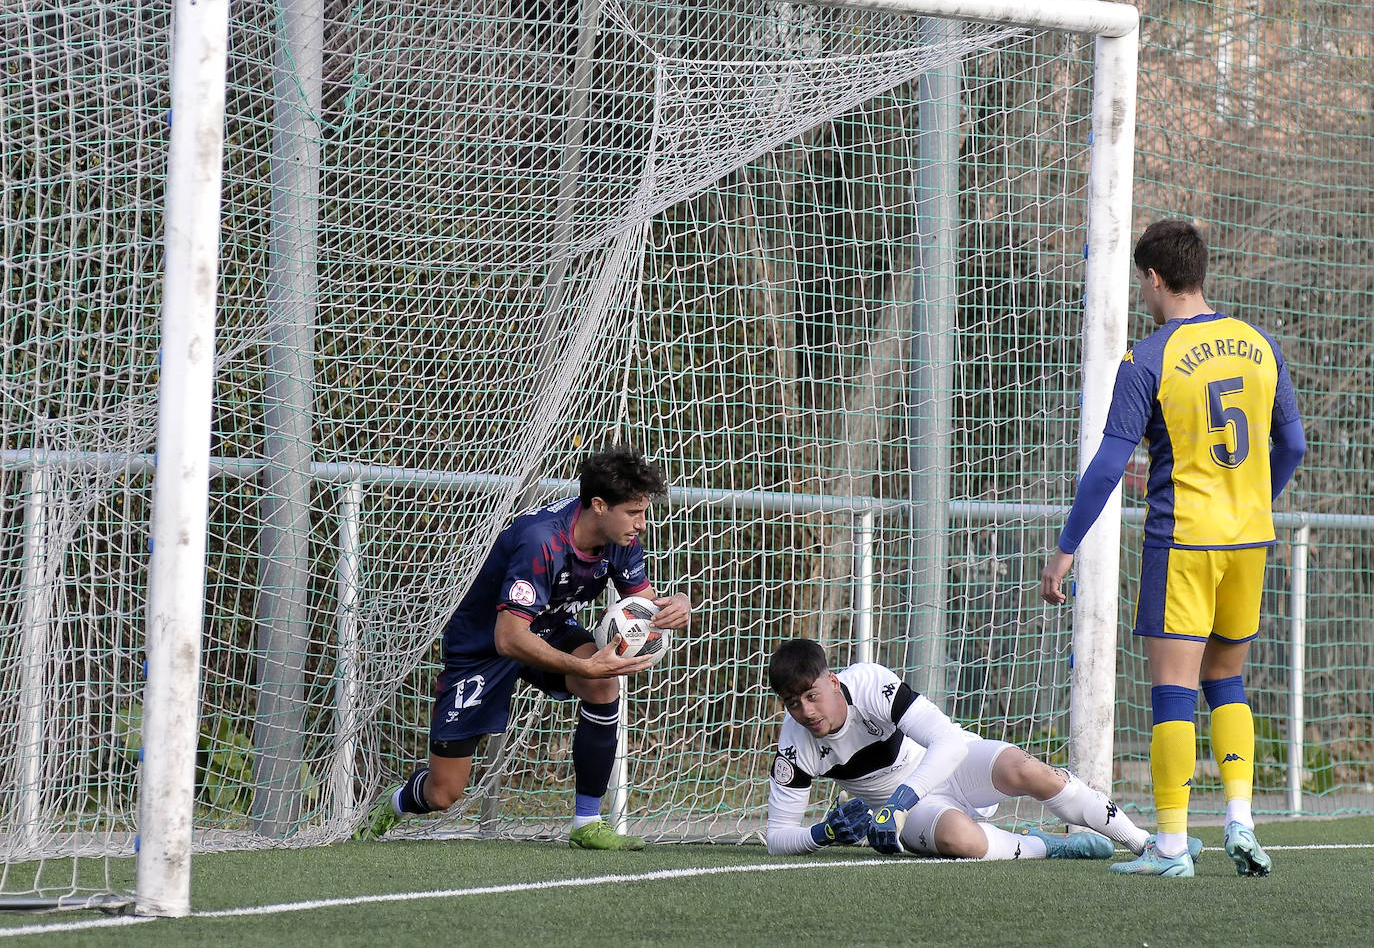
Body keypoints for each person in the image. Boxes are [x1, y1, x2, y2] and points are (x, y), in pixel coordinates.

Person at [1040, 218, 1306, 878]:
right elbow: (1294, 445)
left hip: (1183, 541)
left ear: (1154, 278)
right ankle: (1241, 818)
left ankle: (1170, 846)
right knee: (1228, 679)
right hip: (1249, 541)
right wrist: (1255, 499)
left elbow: (1107, 466)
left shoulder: (1148, 357)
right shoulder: (1259, 343)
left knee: (1173, 691)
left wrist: (1066, 549)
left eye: (1143, 285)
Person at [357, 445, 691, 850]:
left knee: (605, 685)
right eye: (634, 513)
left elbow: (642, 608)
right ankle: (391, 803)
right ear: (599, 505)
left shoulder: (620, 538)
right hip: (484, 646)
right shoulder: (541, 541)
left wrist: (675, 608)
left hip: (549, 627)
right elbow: (508, 638)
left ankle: (587, 822)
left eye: (643, 512)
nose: (642, 524)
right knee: (443, 794)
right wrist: (583, 666)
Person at [763, 638, 1186, 864]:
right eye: (793, 703)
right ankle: (1047, 846)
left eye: (812, 695)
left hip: (945, 769)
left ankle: (1144, 843)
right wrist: (824, 834)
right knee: (960, 841)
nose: (806, 711)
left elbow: (946, 741)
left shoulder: (871, 683)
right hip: (913, 813)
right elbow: (777, 836)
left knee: (1025, 768)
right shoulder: (794, 745)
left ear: (833, 682)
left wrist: (898, 803)